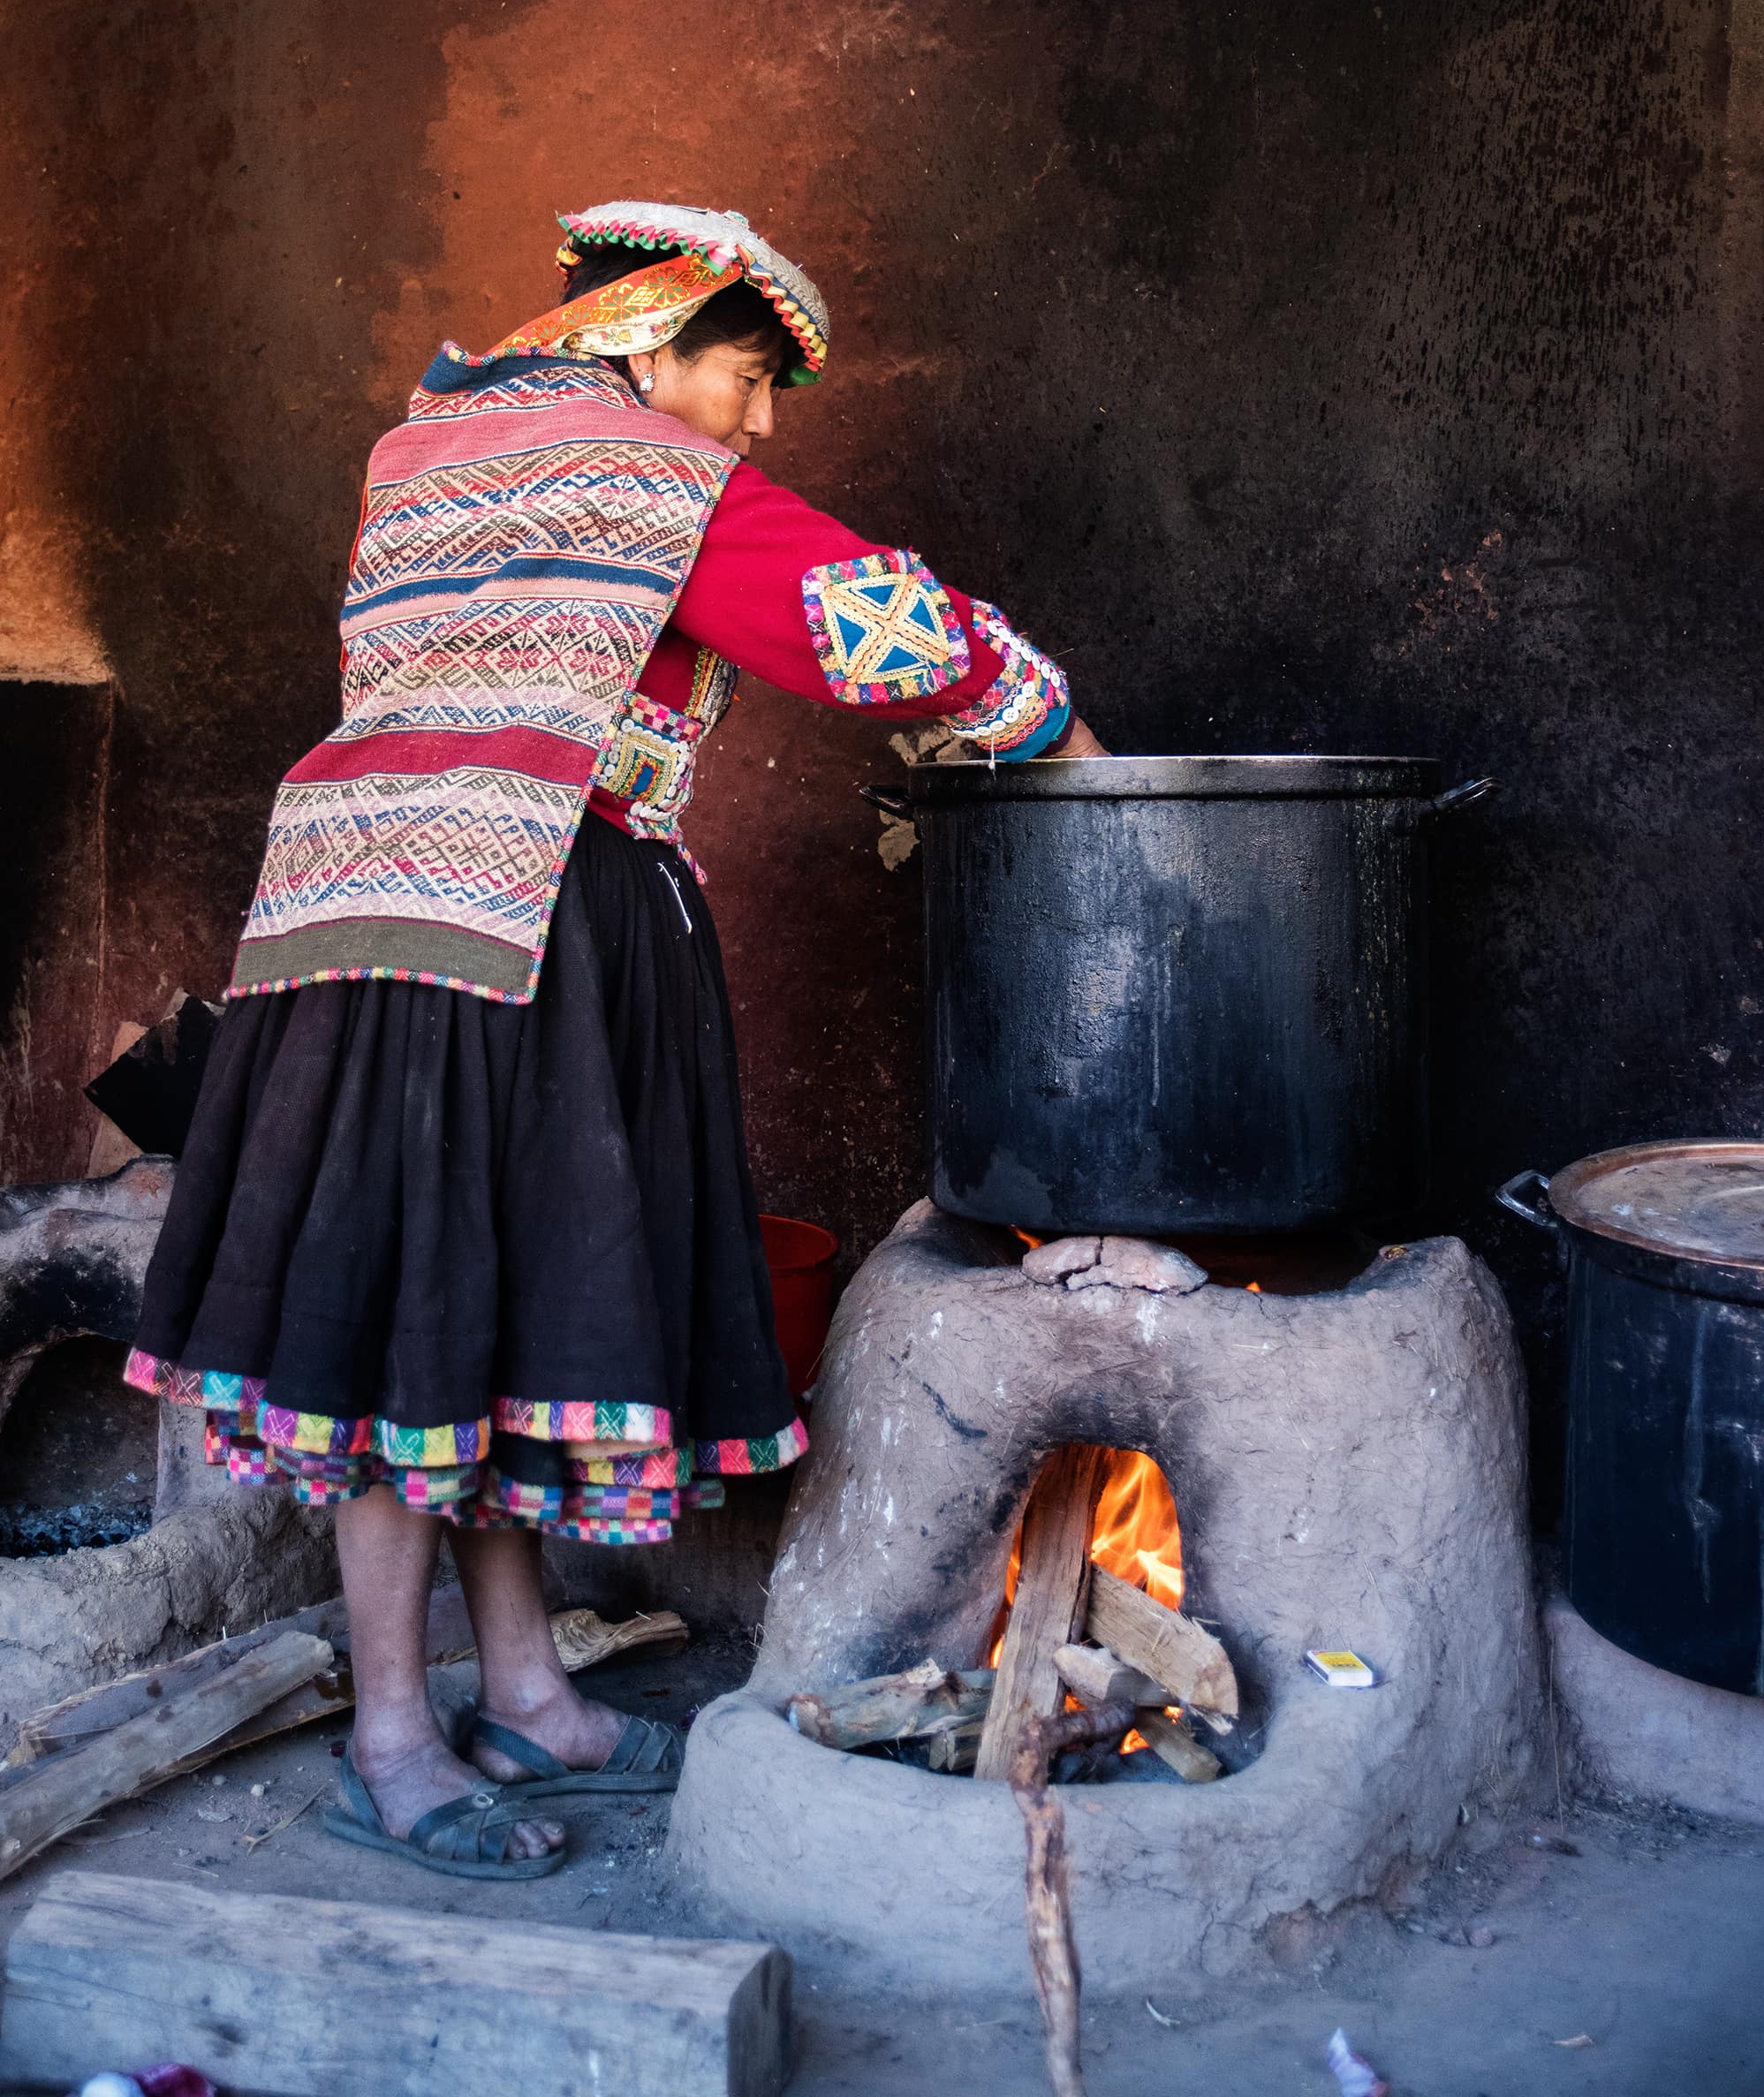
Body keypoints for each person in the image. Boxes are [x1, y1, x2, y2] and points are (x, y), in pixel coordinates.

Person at [125, 199, 1103, 1876]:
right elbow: (858, 618)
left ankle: (523, 1692)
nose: (761, 417)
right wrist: (1059, 730)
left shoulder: (425, 451)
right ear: (649, 343)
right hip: (508, 925)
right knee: (411, 1323)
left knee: (459, 1308)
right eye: (746, 375)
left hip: (353, 912)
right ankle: (390, 1735)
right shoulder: (652, 473)